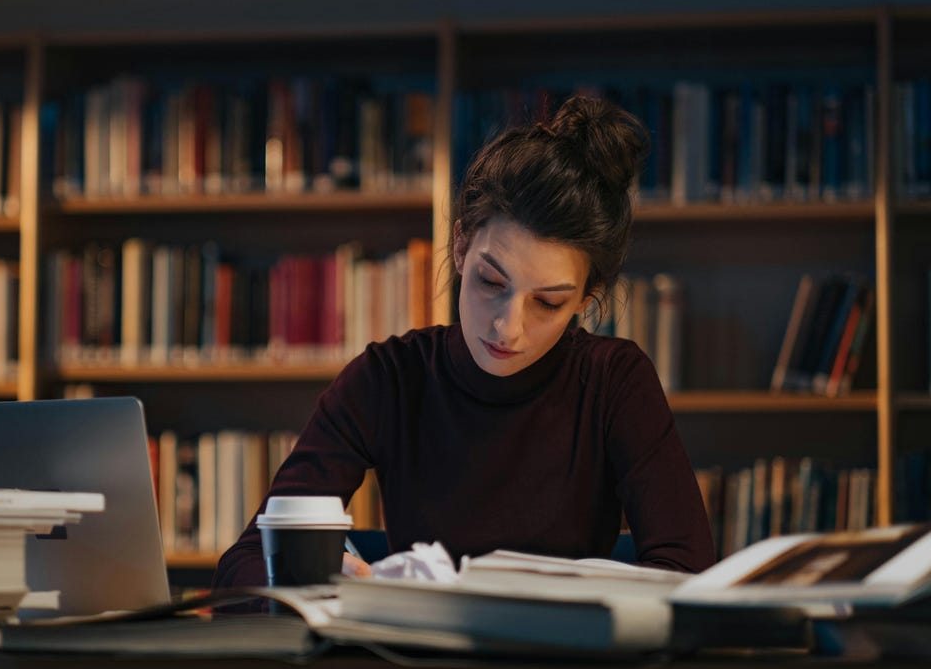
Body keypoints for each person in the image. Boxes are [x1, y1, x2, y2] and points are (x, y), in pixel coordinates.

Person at [213, 94, 716, 588]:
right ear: (459, 246)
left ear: (587, 297)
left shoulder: (614, 382)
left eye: (548, 302)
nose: (507, 327)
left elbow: (686, 571)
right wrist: (316, 585)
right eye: (491, 283)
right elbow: (248, 561)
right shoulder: (388, 377)